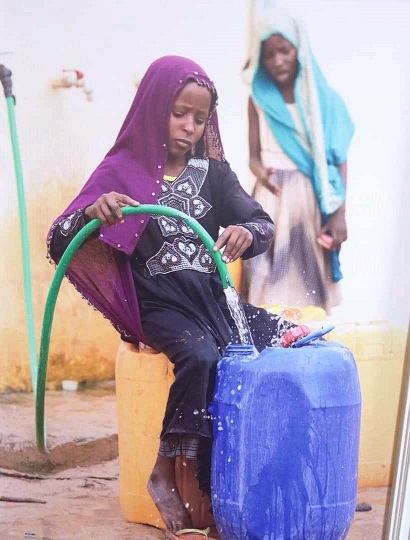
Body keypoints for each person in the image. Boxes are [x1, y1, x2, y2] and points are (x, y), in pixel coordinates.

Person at [47, 56, 296, 538]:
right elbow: (61, 238)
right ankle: (167, 472)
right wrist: (95, 215)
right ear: (155, 108)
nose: (189, 127)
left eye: (199, 119)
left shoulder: (214, 174)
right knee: (201, 355)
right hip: (157, 304)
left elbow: (262, 223)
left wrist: (247, 231)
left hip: (211, 299)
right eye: (179, 113)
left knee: (287, 338)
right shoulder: (122, 170)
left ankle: (249, 476)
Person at [242, 10, 355, 313]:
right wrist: (262, 173)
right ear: (260, 58)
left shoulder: (323, 99)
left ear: (299, 49)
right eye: (269, 55)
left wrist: (340, 213)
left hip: (308, 202)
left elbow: (339, 160)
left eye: (285, 51)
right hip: (270, 199)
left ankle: (305, 350)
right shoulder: (258, 98)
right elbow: (253, 155)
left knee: (307, 287)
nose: (278, 60)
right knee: (265, 282)